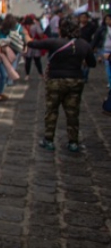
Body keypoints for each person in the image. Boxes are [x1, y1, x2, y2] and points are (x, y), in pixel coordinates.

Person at [27, 17, 96, 152]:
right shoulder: (84, 44)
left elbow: (33, 44)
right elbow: (92, 63)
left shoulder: (54, 42)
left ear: (61, 29)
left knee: (52, 110)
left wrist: (23, 34)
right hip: (75, 80)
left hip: (56, 80)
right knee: (72, 112)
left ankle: (49, 140)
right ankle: (73, 142)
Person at [91, 13, 111, 88]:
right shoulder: (102, 29)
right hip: (105, 50)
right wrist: (92, 48)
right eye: (107, 20)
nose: (108, 21)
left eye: (110, 19)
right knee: (108, 66)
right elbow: (96, 39)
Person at [22, 15, 45, 80]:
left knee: (28, 61)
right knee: (37, 61)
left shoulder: (24, 27)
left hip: (27, 43)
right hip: (35, 43)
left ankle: (27, 75)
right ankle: (41, 74)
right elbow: (41, 35)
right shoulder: (36, 26)